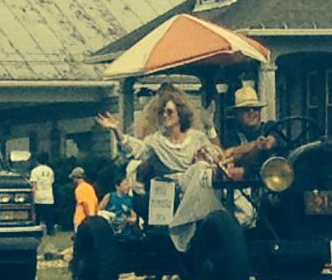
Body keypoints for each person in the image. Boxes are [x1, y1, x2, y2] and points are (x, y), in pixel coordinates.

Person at [96, 85, 223, 251]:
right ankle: (181, 227)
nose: (165, 115)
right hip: (168, 192)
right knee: (199, 169)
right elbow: (136, 149)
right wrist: (116, 131)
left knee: (203, 168)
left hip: (197, 189)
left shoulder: (196, 137)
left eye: (169, 112)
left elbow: (217, 156)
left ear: (180, 114)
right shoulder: (155, 141)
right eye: (162, 112)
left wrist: (209, 136)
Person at [221, 85, 282, 177]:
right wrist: (256, 146)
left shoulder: (270, 127)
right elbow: (227, 160)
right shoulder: (231, 137)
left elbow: (268, 143)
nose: (252, 112)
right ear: (236, 114)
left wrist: (235, 151)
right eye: (246, 109)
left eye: (255, 108)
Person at [98, 170, 137, 235]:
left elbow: (134, 218)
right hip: (110, 233)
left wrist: (127, 220)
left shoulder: (130, 200)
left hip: (125, 234)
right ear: (117, 186)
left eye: (128, 184)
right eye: (125, 184)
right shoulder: (109, 196)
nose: (128, 187)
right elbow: (98, 211)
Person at [30, 151, 55, 235]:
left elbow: (34, 185)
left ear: (37, 160)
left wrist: (32, 197)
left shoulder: (34, 171)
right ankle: (50, 231)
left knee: (37, 215)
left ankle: (36, 231)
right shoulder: (50, 171)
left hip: (38, 197)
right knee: (49, 217)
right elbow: (51, 182)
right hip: (48, 196)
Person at [70, 166, 98, 231]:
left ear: (76, 178)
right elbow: (95, 203)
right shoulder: (90, 187)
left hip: (81, 219)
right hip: (93, 217)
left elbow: (84, 204)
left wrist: (88, 219)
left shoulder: (79, 189)